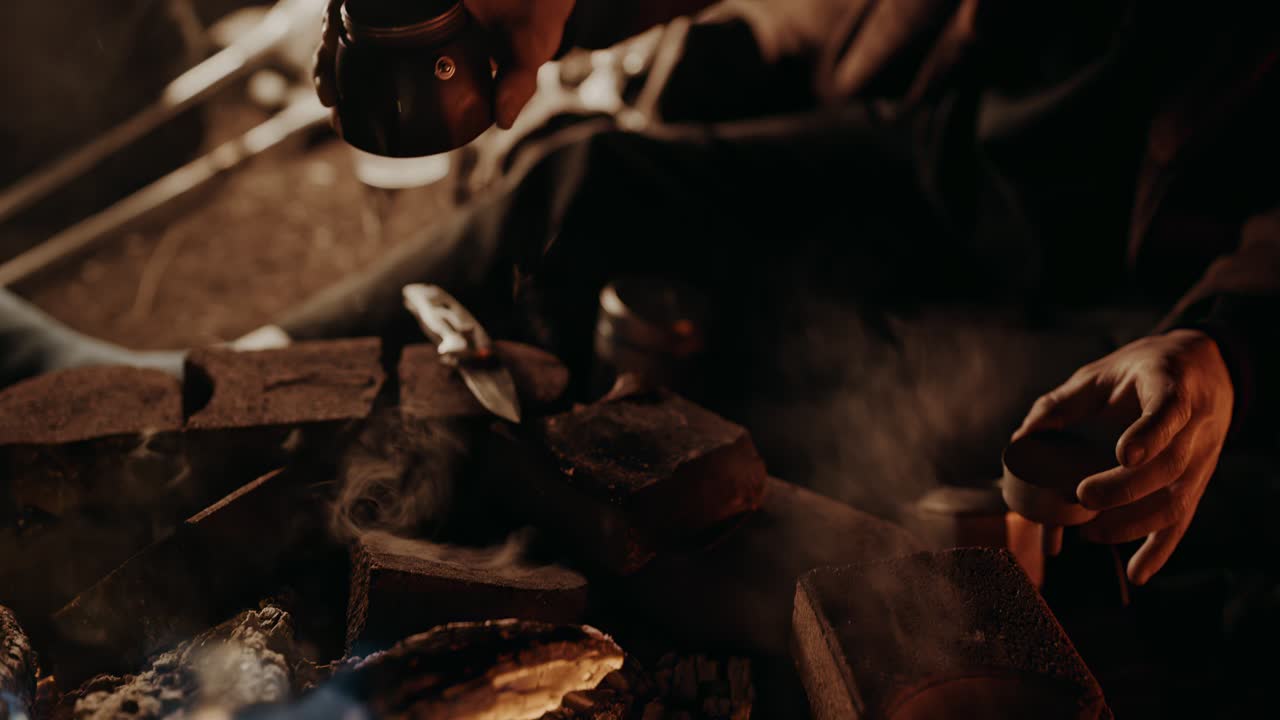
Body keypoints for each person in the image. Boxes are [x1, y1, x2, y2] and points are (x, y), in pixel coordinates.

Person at [305, 0, 1280, 587]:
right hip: (951, 157)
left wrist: (1223, 343)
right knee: (594, 180)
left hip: (1144, 305)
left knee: (845, 416)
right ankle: (248, 373)